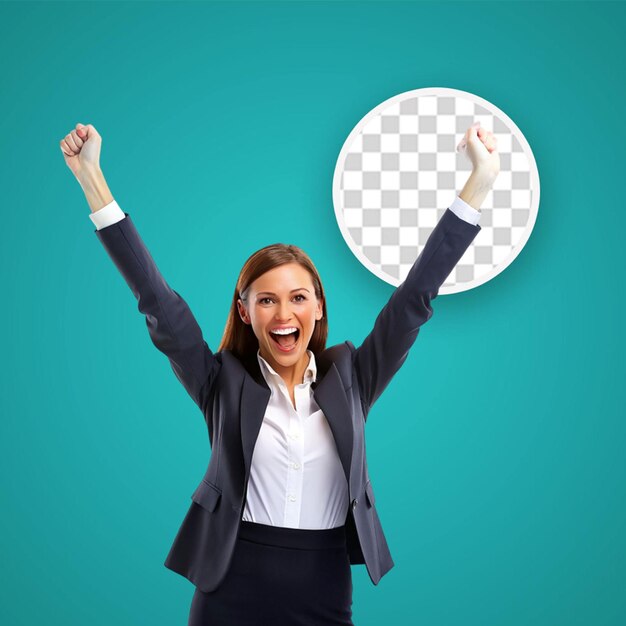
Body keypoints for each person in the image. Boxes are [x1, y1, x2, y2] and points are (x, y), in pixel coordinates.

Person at [60, 122, 499, 625]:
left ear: (317, 306)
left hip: (325, 589)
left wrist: (478, 182)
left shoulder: (353, 376)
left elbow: (413, 300)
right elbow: (157, 301)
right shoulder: (220, 381)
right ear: (246, 313)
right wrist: (92, 178)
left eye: (298, 298)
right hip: (230, 586)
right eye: (266, 300)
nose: (283, 314)